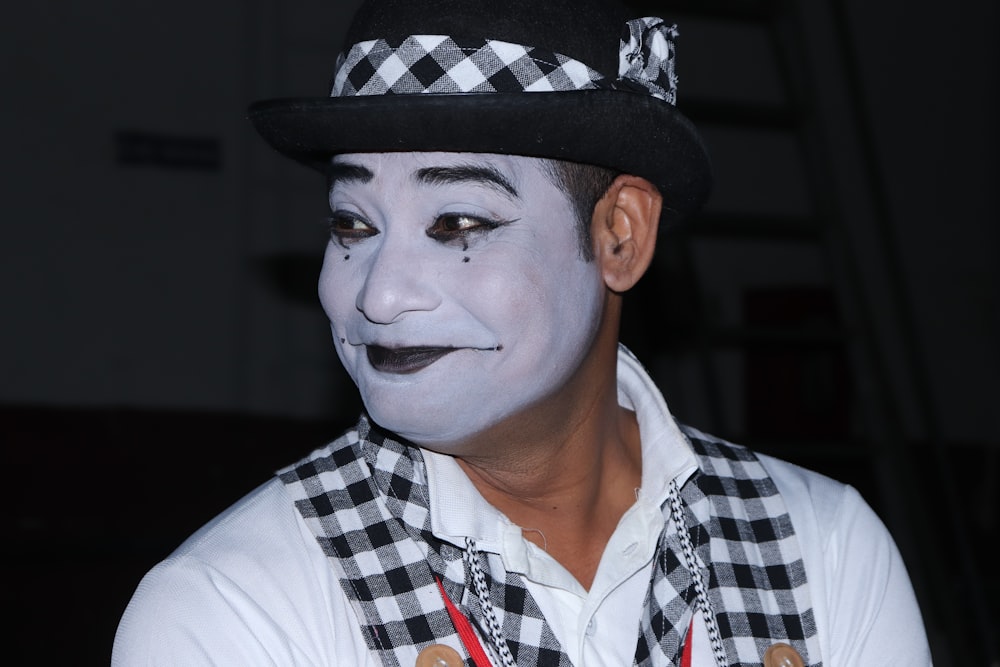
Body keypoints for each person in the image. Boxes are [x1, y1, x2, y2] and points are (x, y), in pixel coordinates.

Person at [112, 0, 933, 665]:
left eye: (458, 220)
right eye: (352, 224)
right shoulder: (231, 609)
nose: (380, 294)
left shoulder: (823, 551)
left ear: (620, 235)